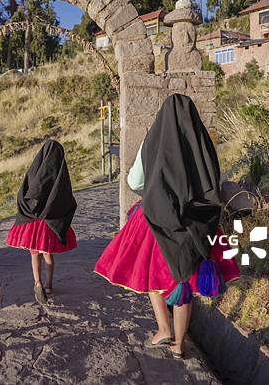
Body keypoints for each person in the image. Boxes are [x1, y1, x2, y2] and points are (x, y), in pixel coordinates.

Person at [94, 94, 239, 359]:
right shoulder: (203, 143)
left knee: (154, 274)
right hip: (196, 224)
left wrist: (155, 192)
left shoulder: (152, 143)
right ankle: (180, 345)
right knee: (185, 280)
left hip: (158, 220)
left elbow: (135, 182)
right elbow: (212, 183)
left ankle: (163, 329)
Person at [6, 139, 77, 304]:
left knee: (34, 254)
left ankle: (37, 281)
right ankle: (48, 285)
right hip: (49, 222)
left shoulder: (35, 171)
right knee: (48, 255)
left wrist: (30, 210)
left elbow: (26, 193)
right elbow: (65, 198)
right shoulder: (60, 173)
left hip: (33, 221)